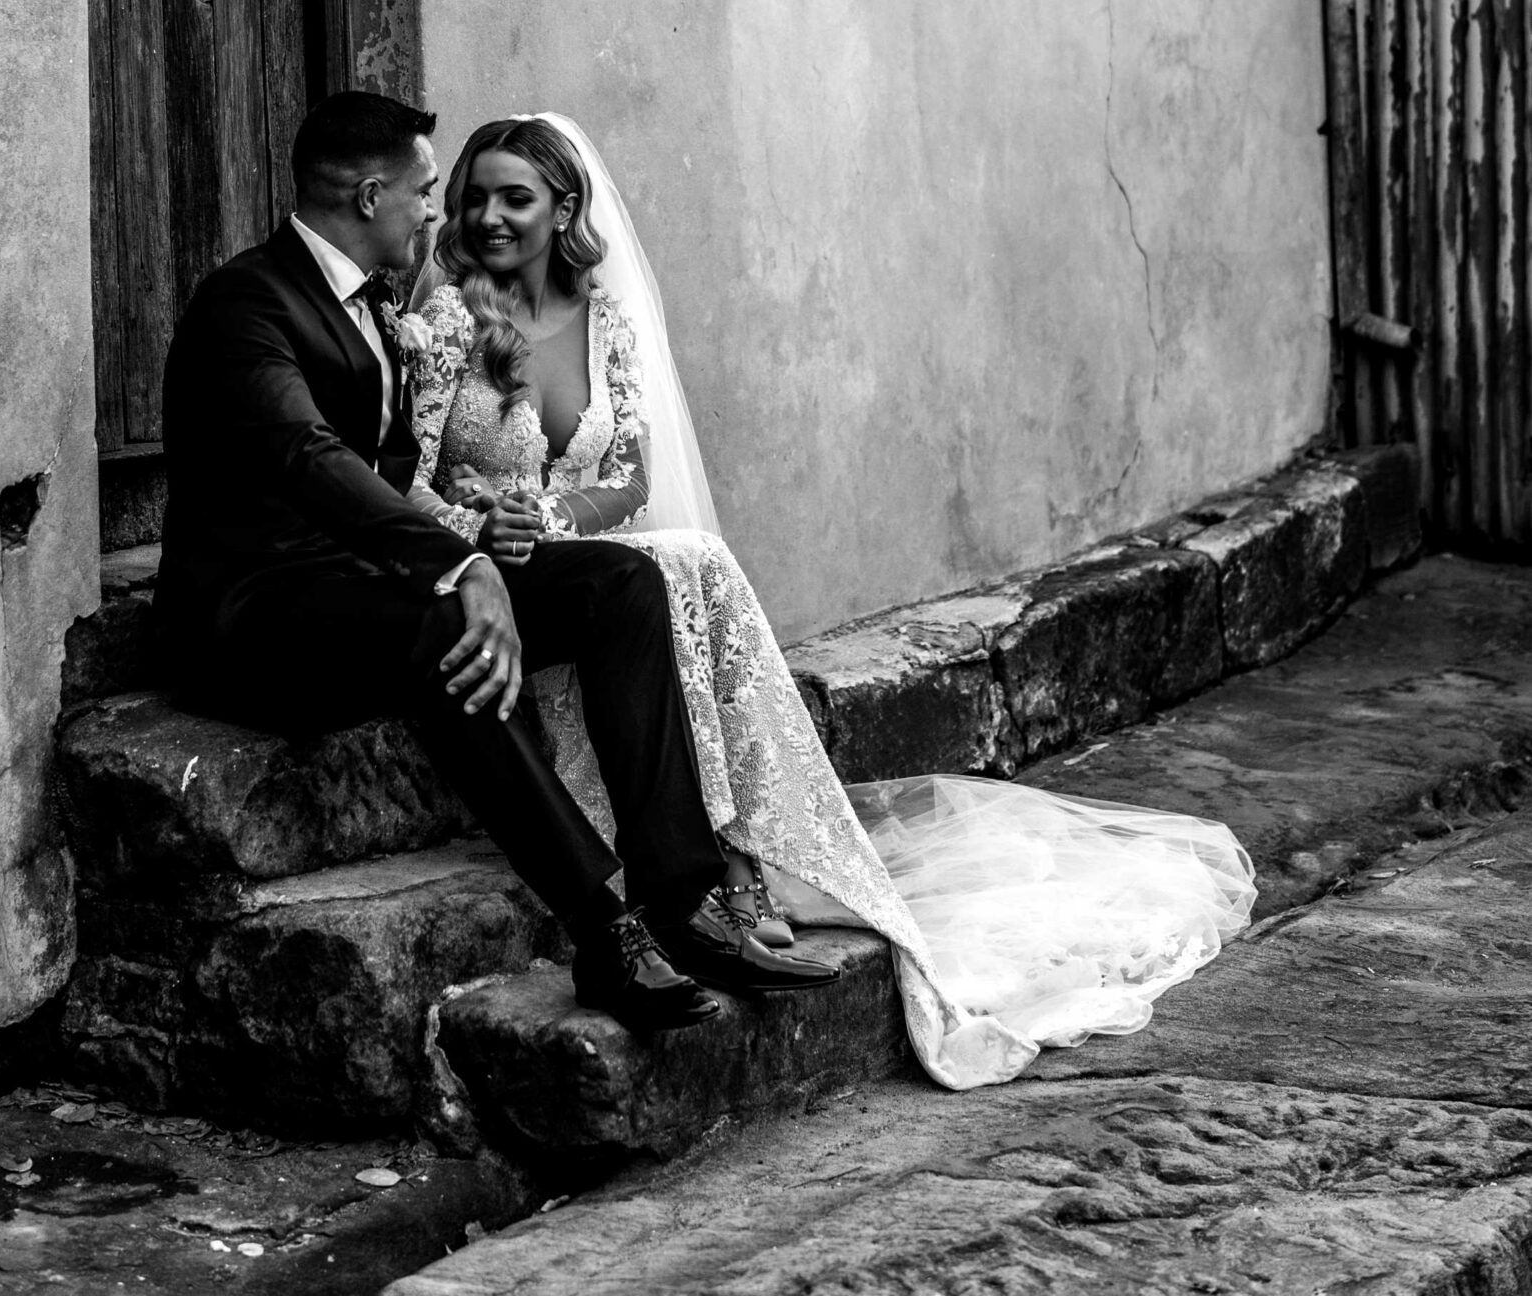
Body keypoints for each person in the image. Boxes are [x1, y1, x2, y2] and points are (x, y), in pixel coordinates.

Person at [409, 113, 1257, 1092]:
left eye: (516, 196)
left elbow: (632, 472)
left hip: (584, 551)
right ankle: (723, 869)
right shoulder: (448, 320)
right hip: (504, 574)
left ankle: (725, 859)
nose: (491, 214)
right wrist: (483, 533)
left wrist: (555, 512)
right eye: (476, 196)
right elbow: (408, 473)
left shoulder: (605, 316)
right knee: (686, 563)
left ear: (565, 206)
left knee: (680, 561)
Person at [154, 89, 840, 1038]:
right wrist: (459, 567)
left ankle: (680, 898)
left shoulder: (379, 304)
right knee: (450, 621)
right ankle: (605, 927)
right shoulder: (246, 301)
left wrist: (480, 537)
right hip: (254, 616)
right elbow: (310, 459)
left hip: (360, 587)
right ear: (368, 195)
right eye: (427, 193)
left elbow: (402, 467)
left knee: (619, 583)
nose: (439, 216)